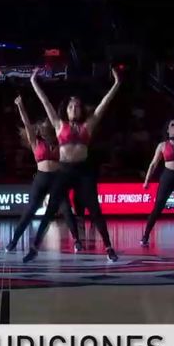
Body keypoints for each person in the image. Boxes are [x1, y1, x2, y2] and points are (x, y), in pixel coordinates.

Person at [23, 67, 122, 263]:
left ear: (82, 109)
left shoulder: (88, 125)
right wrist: (34, 81)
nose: (74, 109)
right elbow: (45, 101)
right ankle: (34, 248)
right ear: (66, 110)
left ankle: (109, 248)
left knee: (95, 210)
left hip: (83, 171)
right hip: (64, 170)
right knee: (51, 209)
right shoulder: (59, 124)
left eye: (77, 106)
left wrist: (117, 84)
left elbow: (105, 103)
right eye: (71, 107)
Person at [6, 95, 82, 252]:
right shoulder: (35, 142)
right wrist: (20, 106)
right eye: (43, 126)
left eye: (48, 125)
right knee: (29, 211)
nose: (46, 126)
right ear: (40, 130)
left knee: (66, 209)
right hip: (41, 178)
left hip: (57, 178)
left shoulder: (60, 141)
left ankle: (77, 240)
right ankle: (13, 241)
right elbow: (27, 123)